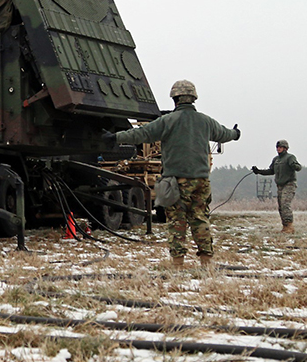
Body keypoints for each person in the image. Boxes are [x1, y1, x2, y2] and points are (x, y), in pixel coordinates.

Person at [102, 80, 240, 269]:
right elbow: (224, 134)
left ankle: (178, 264)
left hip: (175, 181)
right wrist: (235, 133)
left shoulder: (167, 122)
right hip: (201, 181)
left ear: (175, 99)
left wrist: (115, 137)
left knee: (177, 221)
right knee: (200, 218)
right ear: (193, 98)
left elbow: (141, 134)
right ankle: (207, 262)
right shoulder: (205, 121)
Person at [252, 140, 301, 233]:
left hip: (289, 184)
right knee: (281, 206)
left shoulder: (290, 157)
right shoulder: (276, 160)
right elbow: (271, 171)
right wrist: (258, 171)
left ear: (285, 148)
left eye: (280, 147)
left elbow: (298, 167)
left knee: (285, 204)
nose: (278, 149)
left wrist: (294, 165)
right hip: (280, 185)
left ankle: (290, 226)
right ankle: (285, 226)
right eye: (277, 147)